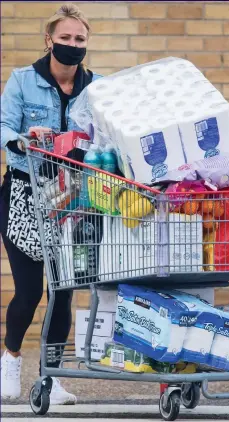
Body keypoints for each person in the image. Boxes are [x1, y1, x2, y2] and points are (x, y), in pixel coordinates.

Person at [0, 3, 101, 403]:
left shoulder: (95, 87)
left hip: (71, 194)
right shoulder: (23, 80)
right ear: (49, 40)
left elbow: (110, 131)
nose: (72, 45)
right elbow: (3, 126)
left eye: (79, 39)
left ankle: (52, 375)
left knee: (63, 289)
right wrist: (25, 135)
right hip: (25, 193)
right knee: (30, 290)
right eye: (65, 38)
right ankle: (10, 359)